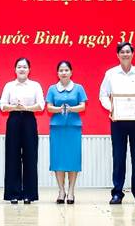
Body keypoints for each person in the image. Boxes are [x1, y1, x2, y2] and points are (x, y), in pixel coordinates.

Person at [99, 42, 135, 205]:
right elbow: (103, 95)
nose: (125, 54)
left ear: (133, 54)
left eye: (128, 51)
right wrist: (112, 109)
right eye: (122, 52)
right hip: (118, 121)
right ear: (117, 55)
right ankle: (117, 193)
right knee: (118, 157)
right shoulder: (110, 73)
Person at [1, 57, 45, 204]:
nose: (22, 69)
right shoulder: (9, 85)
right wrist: (15, 107)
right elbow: (2, 105)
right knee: (12, 156)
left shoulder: (35, 85)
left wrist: (26, 108)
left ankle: (29, 194)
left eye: (25, 67)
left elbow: (41, 105)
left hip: (29, 120)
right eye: (19, 67)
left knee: (30, 157)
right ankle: (13, 194)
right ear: (15, 69)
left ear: (29, 70)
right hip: (13, 120)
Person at [45, 60, 87, 204]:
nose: (64, 73)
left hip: (73, 128)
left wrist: (71, 109)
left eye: (66, 70)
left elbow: (83, 106)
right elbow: (49, 107)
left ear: (71, 72)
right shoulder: (52, 89)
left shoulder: (78, 88)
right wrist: (59, 109)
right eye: (61, 70)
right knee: (58, 160)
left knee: (73, 160)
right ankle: (61, 191)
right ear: (57, 73)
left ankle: (71, 191)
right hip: (57, 129)